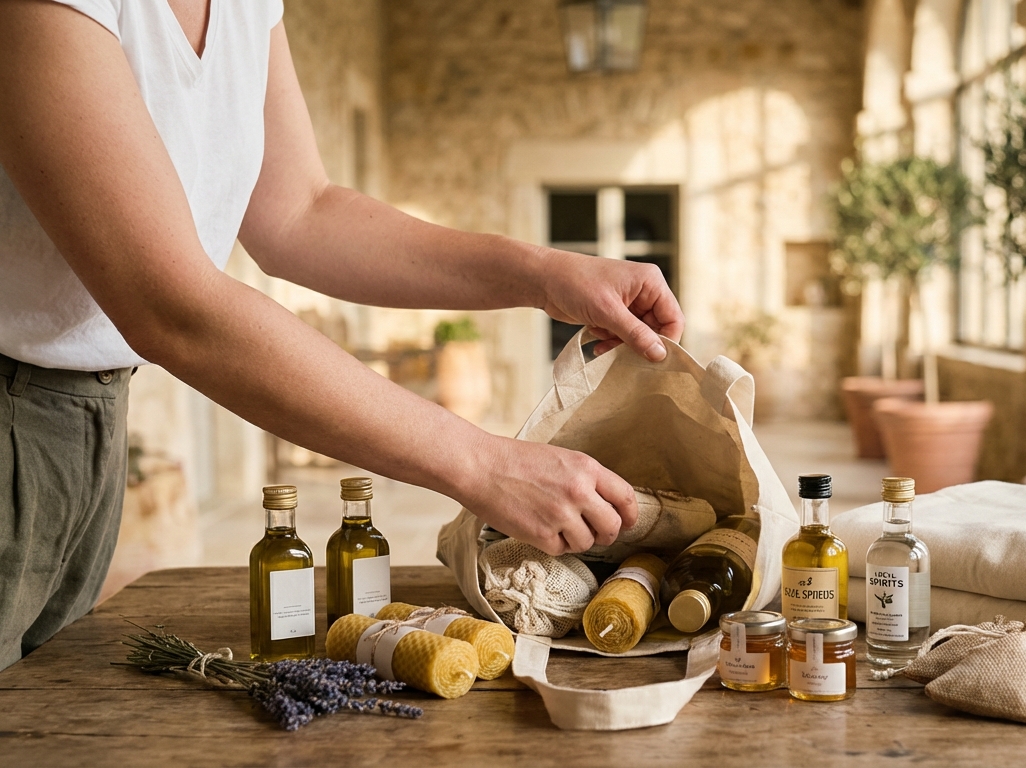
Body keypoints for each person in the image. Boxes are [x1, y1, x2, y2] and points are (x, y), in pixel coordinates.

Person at [0, 0, 684, 670]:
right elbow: (168, 302)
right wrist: (481, 463)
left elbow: (301, 212)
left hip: (93, 416)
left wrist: (544, 273)